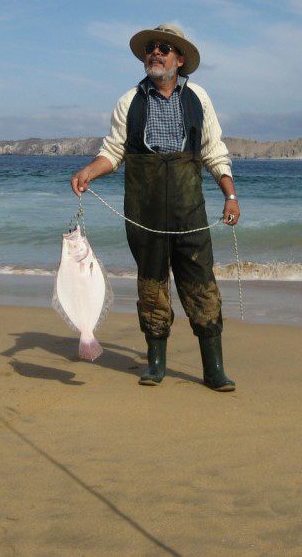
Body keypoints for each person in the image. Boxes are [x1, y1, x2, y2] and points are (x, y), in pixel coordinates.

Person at [70, 23, 239, 391]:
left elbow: (213, 150)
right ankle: (156, 364)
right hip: (143, 212)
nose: (156, 53)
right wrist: (88, 172)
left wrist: (230, 195)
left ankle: (214, 370)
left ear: (180, 59)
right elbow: (113, 151)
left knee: (201, 286)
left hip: (189, 211)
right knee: (151, 287)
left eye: (164, 48)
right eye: (151, 48)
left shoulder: (198, 98)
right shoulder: (129, 101)